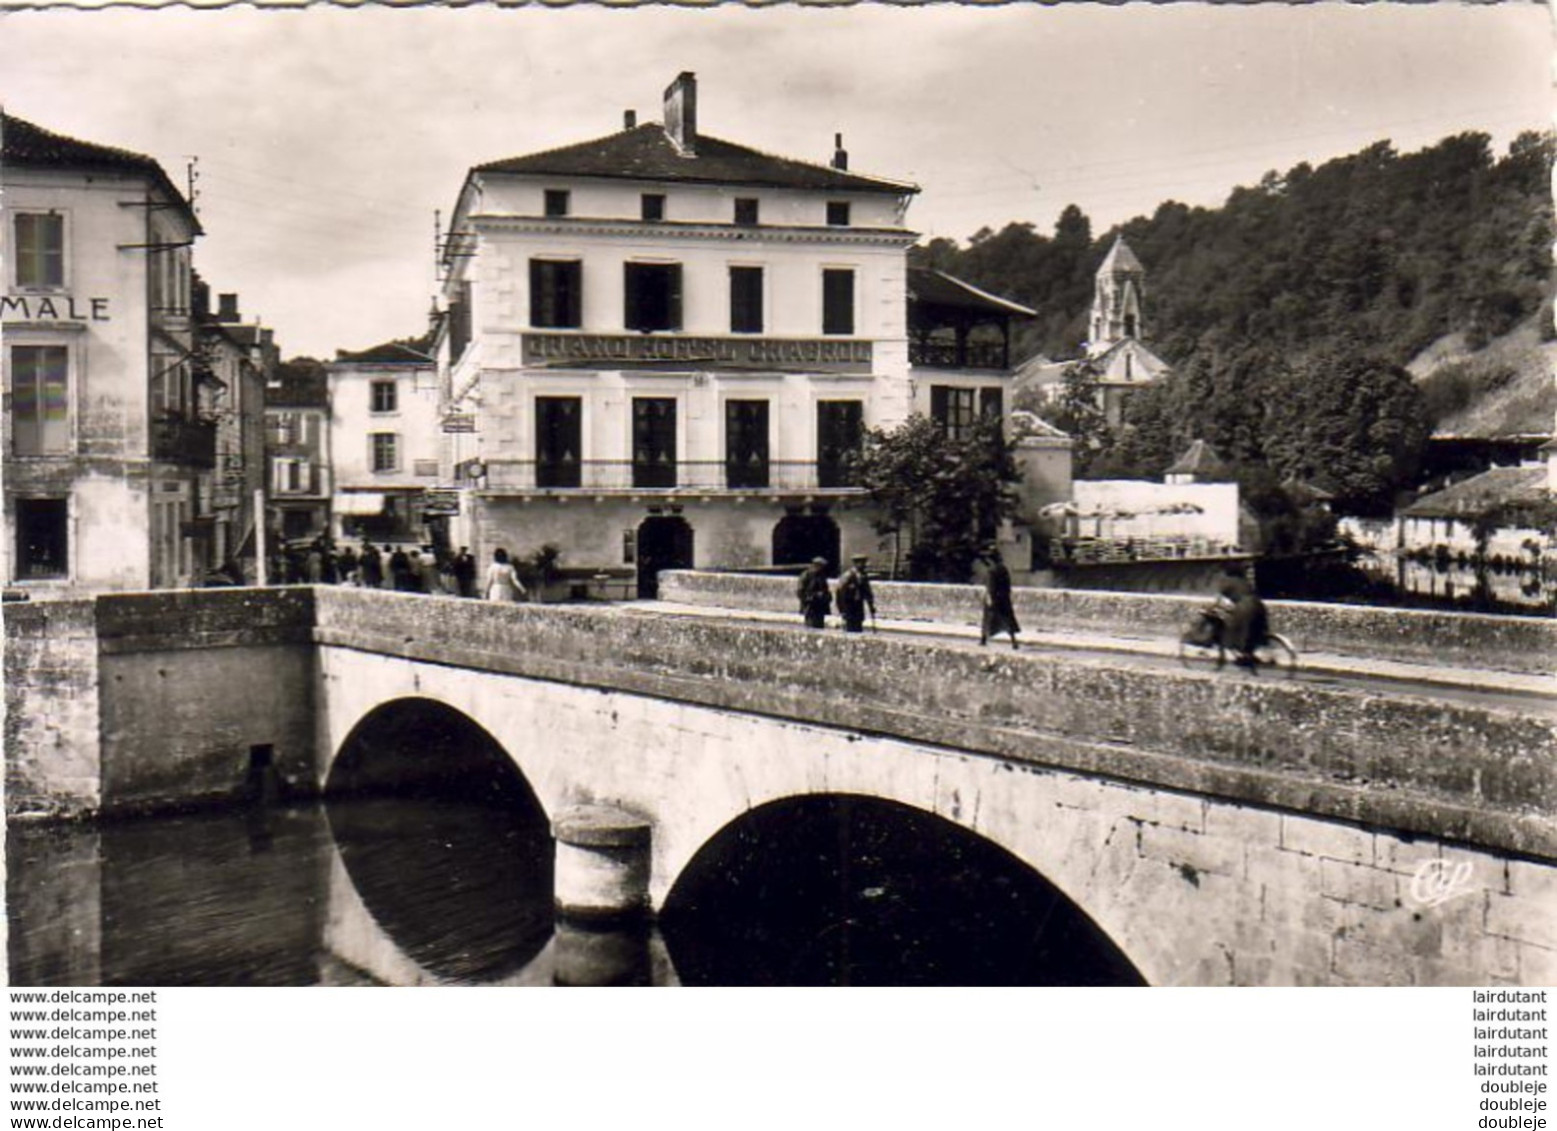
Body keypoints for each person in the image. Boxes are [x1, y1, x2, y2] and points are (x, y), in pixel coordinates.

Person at [1216, 564, 1268, 669]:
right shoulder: (1244, 581)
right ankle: (1249, 654)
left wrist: (1214, 608)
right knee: (1253, 629)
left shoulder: (1228, 582)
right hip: (1257, 604)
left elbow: (1220, 600)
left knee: (1233, 628)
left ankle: (1242, 655)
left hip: (1244, 606)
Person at [980, 546, 1020, 650]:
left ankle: (983, 639)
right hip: (1004, 598)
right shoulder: (1003, 569)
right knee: (1007, 620)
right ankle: (1014, 641)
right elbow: (1007, 585)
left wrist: (990, 598)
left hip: (994, 598)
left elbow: (990, 586)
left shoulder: (991, 571)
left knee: (988, 619)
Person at [835, 554, 876, 634]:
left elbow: (867, 591)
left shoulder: (863, 576)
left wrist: (871, 605)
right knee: (849, 626)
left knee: (858, 624)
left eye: (864, 563)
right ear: (856, 563)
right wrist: (841, 609)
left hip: (858, 604)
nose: (864, 565)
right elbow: (840, 592)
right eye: (862, 563)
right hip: (849, 605)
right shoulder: (848, 576)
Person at [796, 557, 832, 629]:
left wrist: (826, 597)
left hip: (820, 607)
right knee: (811, 626)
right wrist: (814, 596)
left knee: (820, 625)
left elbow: (825, 589)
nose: (822, 568)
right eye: (821, 566)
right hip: (810, 607)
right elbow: (800, 592)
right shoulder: (806, 575)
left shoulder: (822, 576)